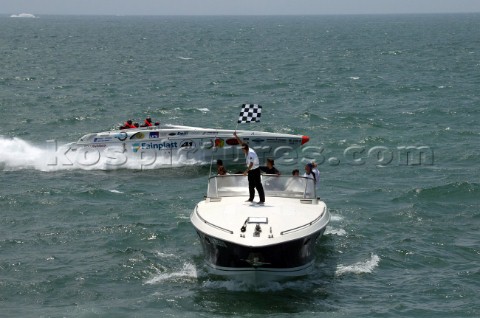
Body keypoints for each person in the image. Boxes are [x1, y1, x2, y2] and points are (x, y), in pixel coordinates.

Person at [234, 131, 265, 204]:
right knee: (250, 185)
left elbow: (251, 164)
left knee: (258, 185)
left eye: (242, 149)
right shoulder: (246, 149)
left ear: (245, 149)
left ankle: (262, 200)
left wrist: (246, 171)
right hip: (251, 170)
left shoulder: (251, 153)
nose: (242, 150)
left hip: (255, 170)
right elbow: (241, 143)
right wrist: (236, 136)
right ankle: (251, 198)